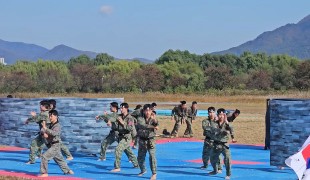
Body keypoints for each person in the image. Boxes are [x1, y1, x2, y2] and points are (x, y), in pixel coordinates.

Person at [38, 110, 74, 177]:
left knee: (44, 156)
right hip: (51, 145)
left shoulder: (57, 126)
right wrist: (43, 132)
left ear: (56, 116)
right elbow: (44, 131)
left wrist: (45, 128)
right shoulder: (51, 125)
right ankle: (68, 171)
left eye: (51, 116)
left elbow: (54, 133)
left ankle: (44, 173)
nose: (50, 117)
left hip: (55, 145)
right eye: (49, 116)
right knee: (59, 159)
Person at [111, 103, 139, 172]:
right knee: (128, 151)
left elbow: (130, 128)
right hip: (120, 136)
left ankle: (117, 167)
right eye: (120, 108)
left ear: (126, 108)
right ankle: (137, 164)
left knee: (118, 149)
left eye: (122, 108)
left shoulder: (130, 118)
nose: (120, 109)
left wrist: (123, 123)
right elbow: (111, 118)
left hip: (127, 137)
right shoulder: (119, 116)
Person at [136, 104, 158, 180]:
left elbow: (157, 124)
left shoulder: (153, 119)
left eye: (149, 110)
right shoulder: (140, 118)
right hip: (142, 140)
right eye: (146, 110)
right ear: (144, 111)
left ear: (151, 111)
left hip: (150, 140)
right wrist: (152, 127)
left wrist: (154, 120)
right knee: (140, 158)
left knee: (152, 156)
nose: (148, 112)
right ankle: (143, 170)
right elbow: (142, 125)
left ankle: (154, 173)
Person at [210, 108, 233, 180]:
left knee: (227, 160)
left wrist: (227, 123)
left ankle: (228, 174)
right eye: (220, 114)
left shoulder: (227, 124)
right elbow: (215, 131)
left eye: (223, 115)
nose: (221, 116)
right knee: (212, 159)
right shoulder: (214, 123)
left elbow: (231, 131)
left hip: (224, 145)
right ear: (217, 115)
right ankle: (215, 170)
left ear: (225, 115)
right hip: (216, 144)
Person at [25, 100, 50, 164]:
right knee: (37, 144)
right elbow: (38, 120)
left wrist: (31, 117)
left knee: (52, 148)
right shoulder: (47, 113)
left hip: (46, 133)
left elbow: (36, 119)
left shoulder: (44, 114)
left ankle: (33, 160)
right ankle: (34, 159)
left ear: (44, 106)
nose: (40, 106)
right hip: (44, 133)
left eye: (41, 105)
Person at [201, 106, 221, 172]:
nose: (211, 114)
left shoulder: (218, 121)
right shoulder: (205, 121)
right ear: (208, 113)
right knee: (205, 154)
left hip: (216, 140)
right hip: (208, 140)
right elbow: (206, 128)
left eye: (212, 112)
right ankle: (205, 165)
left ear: (215, 113)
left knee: (217, 155)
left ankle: (219, 168)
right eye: (210, 112)